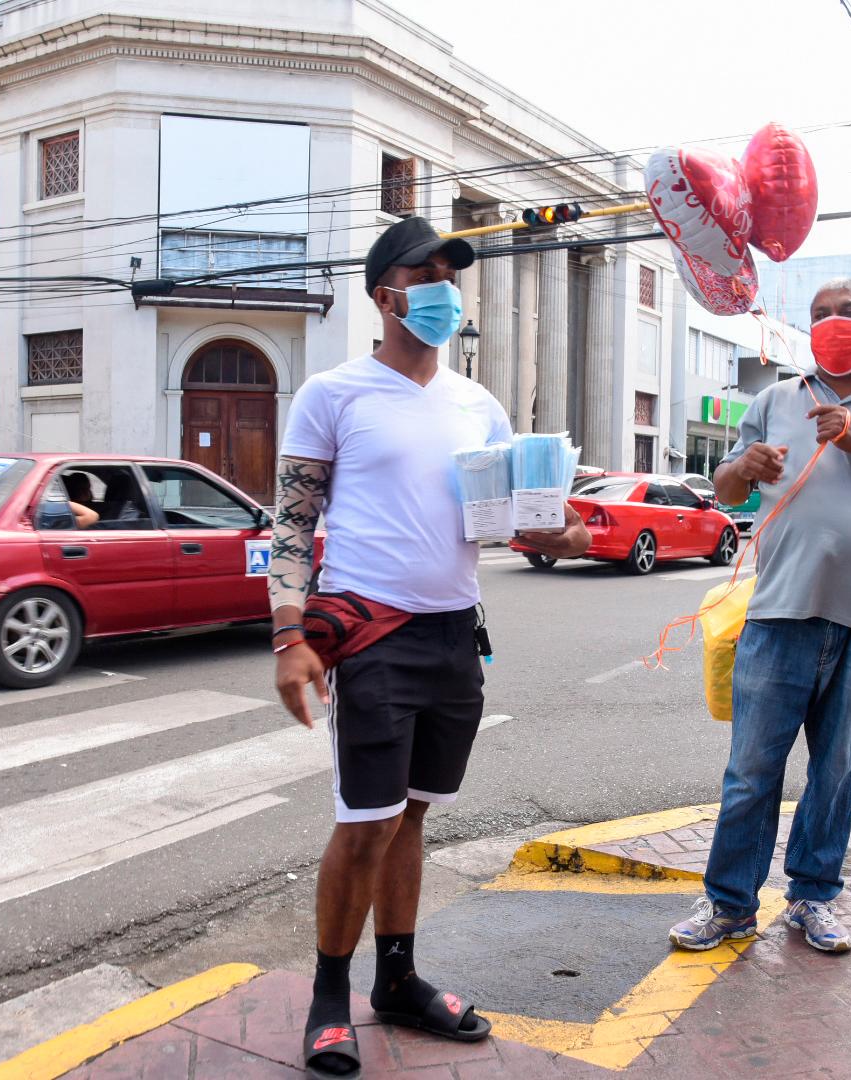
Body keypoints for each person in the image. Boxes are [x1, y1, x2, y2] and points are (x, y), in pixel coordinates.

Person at [267, 216, 589, 1078]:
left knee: (413, 813)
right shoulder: (332, 394)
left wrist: (556, 533)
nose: (446, 291)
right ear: (385, 296)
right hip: (374, 633)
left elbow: (508, 524)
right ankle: (330, 998)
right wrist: (289, 635)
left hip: (456, 634)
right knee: (364, 823)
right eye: (428, 275)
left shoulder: (477, 405)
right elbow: (292, 523)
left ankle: (398, 980)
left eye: (453, 276)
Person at [669, 278, 851, 955]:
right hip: (778, 615)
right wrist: (745, 463)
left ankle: (812, 898)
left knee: (835, 774)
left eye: (847, 313)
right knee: (750, 772)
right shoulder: (775, 399)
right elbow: (728, 489)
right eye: (820, 315)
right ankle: (731, 904)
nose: (832, 324)